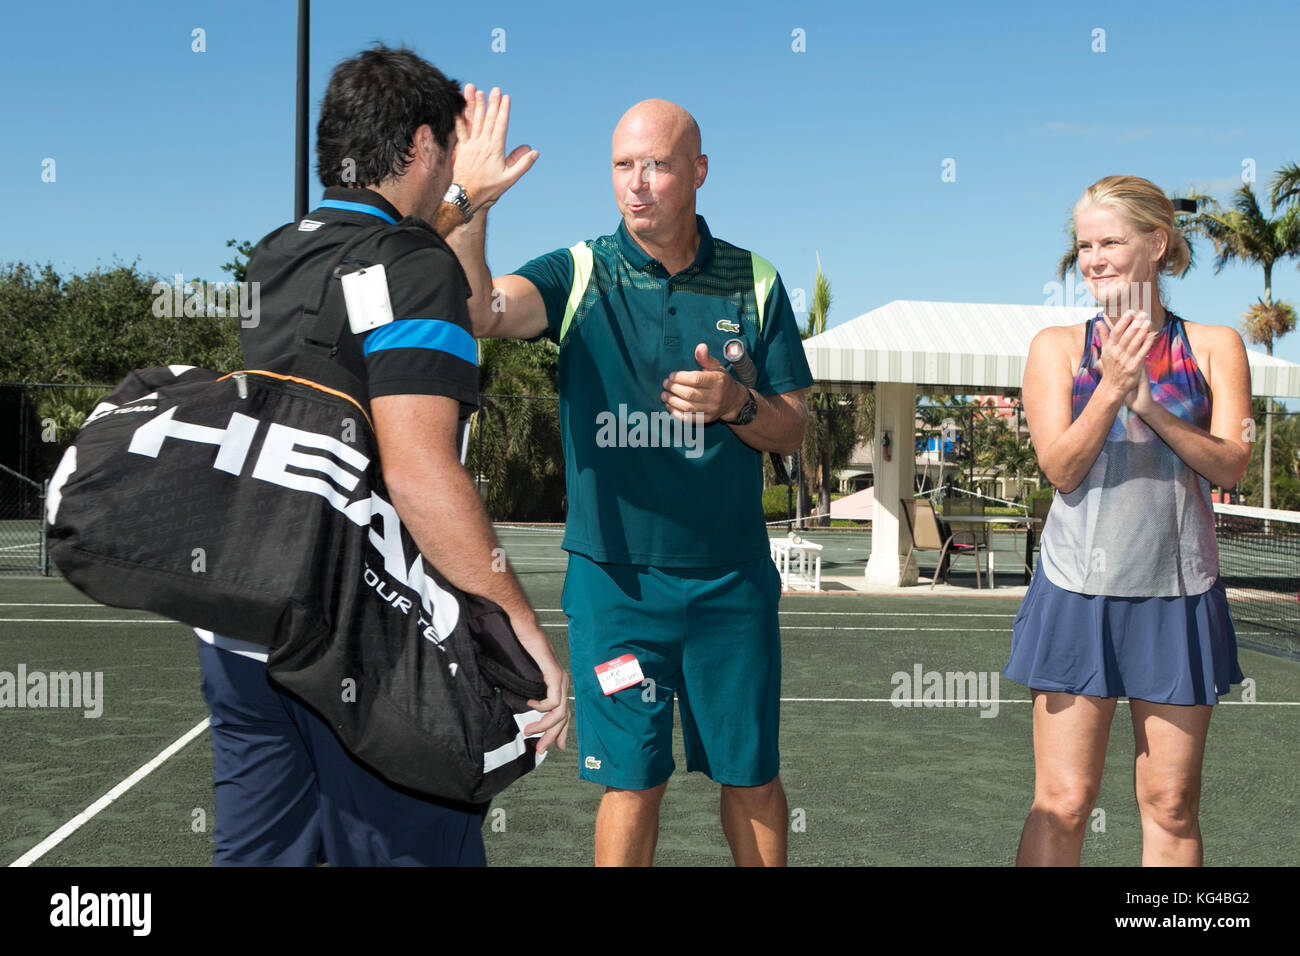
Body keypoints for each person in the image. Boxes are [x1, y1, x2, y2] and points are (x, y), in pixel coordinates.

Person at [196, 45, 568, 866]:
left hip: (243, 618)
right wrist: (521, 627)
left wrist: (465, 202)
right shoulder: (415, 269)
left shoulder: (279, 252)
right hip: (363, 634)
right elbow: (418, 469)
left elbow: (376, 270)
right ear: (426, 145)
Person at [444, 97, 813, 866]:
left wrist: (737, 403)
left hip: (730, 581)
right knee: (632, 784)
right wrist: (473, 203)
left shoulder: (758, 280)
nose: (636, 185)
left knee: (750, 778)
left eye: (657, 165)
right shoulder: (580, 271)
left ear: (699, 171)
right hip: (616, 588)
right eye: (622, 166)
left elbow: (792, 425)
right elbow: (479, 310)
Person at [1006, 174, 1251, 866]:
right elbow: (1061, 468)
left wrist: (1149, 405)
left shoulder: (1213, 347)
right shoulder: (1056, 348)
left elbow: (1230, 465)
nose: (1094, 258)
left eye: (1109, 240)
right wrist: (1112, 390)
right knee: (1064, 802)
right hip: (1074, 595)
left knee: (1171, 805)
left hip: (1179, 599)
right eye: (1085, 245)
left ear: (1156, 243)